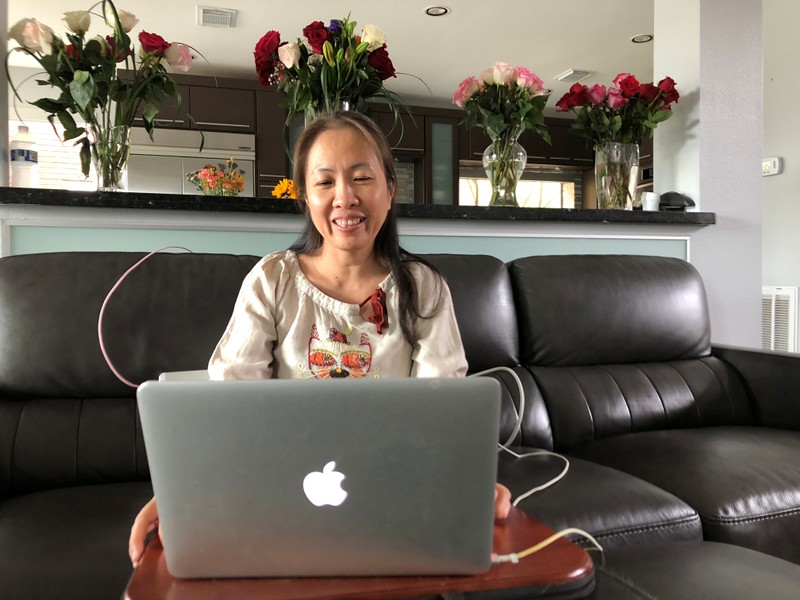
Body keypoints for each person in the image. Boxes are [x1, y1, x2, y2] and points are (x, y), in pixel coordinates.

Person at [128, 111, 511, 567]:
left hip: (395, 493)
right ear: (306, 197)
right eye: (325, 182)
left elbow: (446, 415)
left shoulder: (424, 287)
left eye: (362, 177)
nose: (344, 198)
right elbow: (229, 410)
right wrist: (186, 493)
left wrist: (468, 479)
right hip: (277, 491)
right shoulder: (271, 280)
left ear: (390, 190)